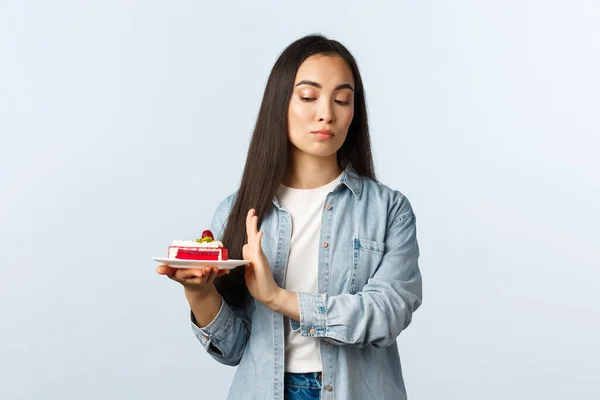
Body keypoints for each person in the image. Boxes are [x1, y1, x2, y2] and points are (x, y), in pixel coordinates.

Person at [156, 34, 423, 400]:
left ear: (353, 112)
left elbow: (386, 314)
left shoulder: (389, 210)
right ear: (280, 103)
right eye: (309, 97)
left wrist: (278, 297)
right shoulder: (239, 211)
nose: (326, 113)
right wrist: (198, 292)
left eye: (342, 99)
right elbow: (233, 349)